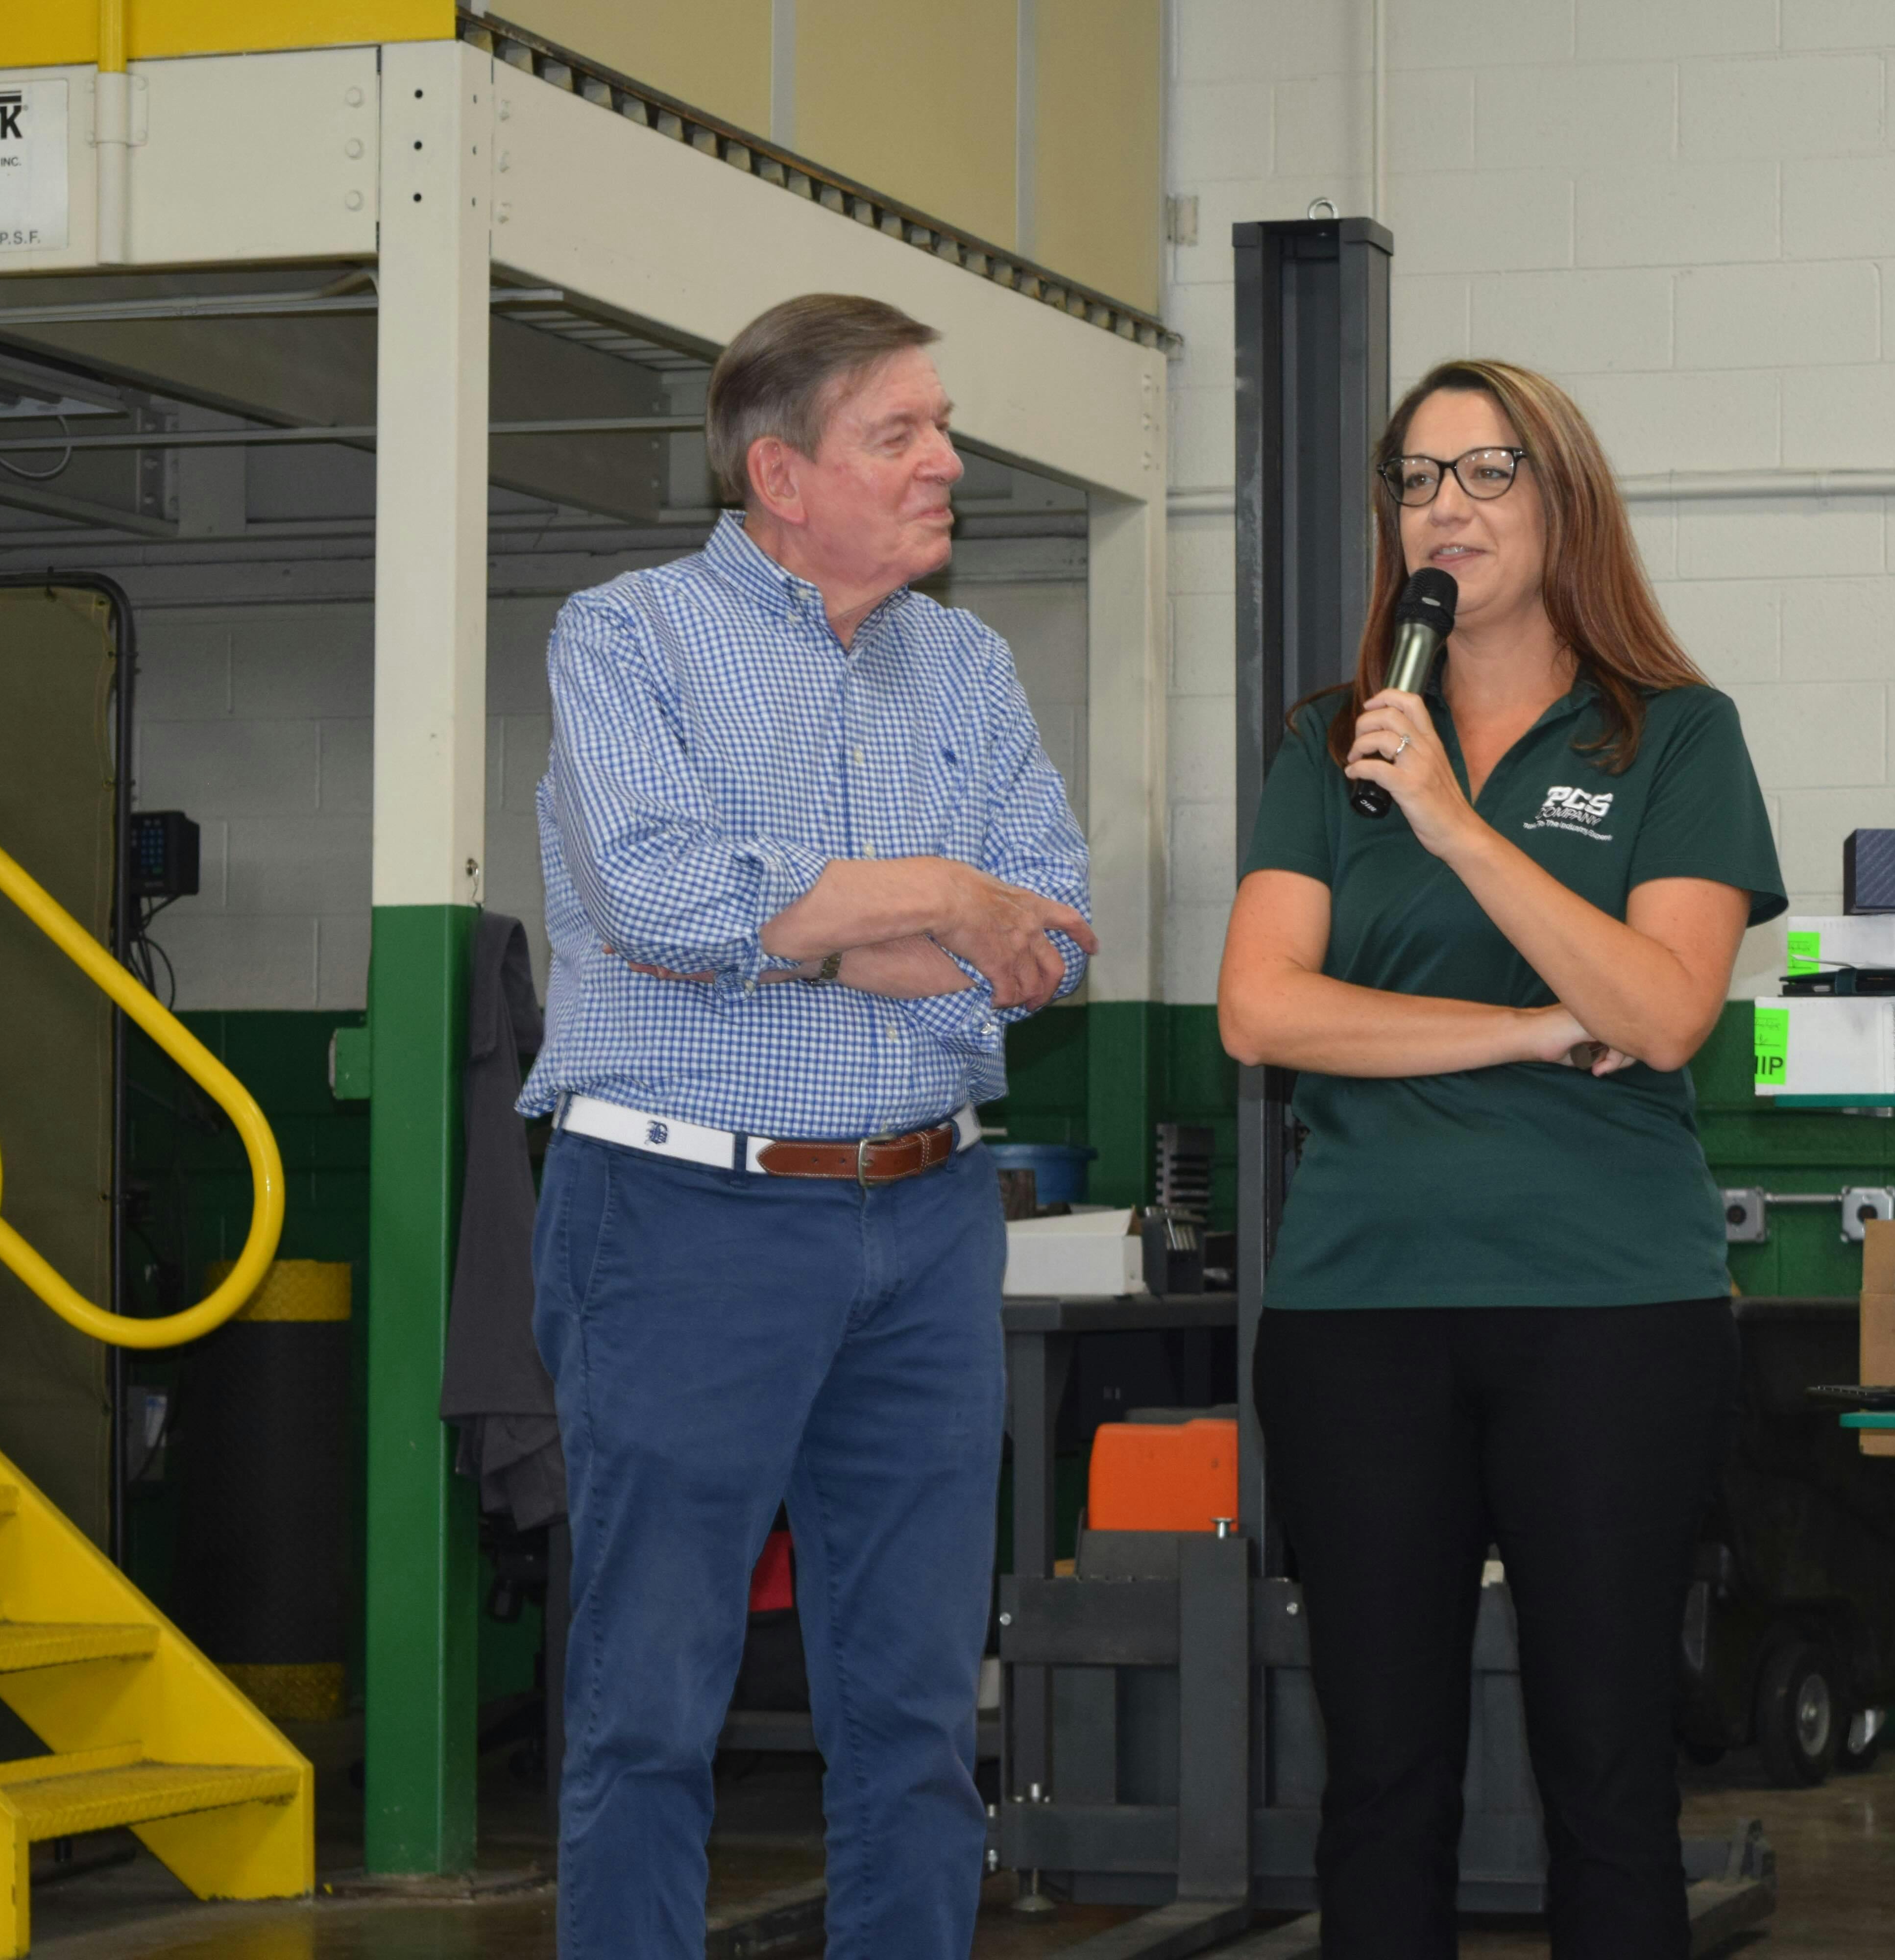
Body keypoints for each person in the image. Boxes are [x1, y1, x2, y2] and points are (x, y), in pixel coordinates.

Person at [519, 292, 1094, 1959]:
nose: (948, 463)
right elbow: (670, 900)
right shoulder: (624, 638)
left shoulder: (969, 667)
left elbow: (1046, 946)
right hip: (680, 1224)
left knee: (916, 1721)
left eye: (940, 426)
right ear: (782, 474)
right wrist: (940, 899)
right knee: (652, 1710)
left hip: (926, 1223)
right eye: (899, 435)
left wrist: (832, 929)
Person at [1217, 358, 1785, 1960]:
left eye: (1485, 474)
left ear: (1563, 500)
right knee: (1381, 1780)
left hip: (1607, 1310)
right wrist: (1535, 1027)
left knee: (1605, 1768)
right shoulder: (1332, 743)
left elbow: (1666, 1011)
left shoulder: (1672, 735)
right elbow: (1263, 1014)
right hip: (1360, 1308)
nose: (1443, 510)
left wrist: (1463, 825)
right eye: (1414, 481)